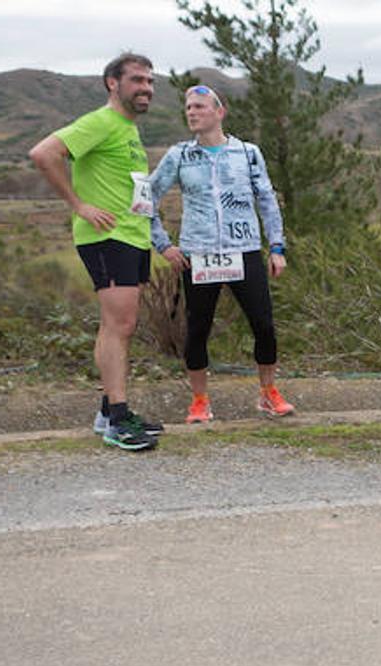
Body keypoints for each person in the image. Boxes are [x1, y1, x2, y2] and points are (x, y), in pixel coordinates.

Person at [29, 51, 163, 451]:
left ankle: (109, 412)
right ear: (113, 83)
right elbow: (43, 153)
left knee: (118, 324)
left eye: (150, 82)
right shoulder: (100, 122)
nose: (146, 88)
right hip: (107, 238)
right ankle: (118, 420)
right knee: (119, 325)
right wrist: (79, 205)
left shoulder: (126, 127)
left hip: (131, 236)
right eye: (138, 80)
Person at [147, 84, 292, 425]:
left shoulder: (248, 153)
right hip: (199, 255)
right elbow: (146, 199)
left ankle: (268, 393)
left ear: (219, 112)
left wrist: (277, 247)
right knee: (197, 329)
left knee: (264, 325)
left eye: (199, 106)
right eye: (188, 107)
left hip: (244, 251)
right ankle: (199, 400)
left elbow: (267, 200)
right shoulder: (179, 155)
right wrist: (163, 244)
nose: (192, 112)